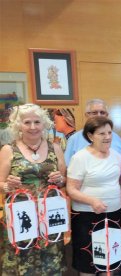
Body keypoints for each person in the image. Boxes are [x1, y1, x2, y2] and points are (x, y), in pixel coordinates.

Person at [63, 98, 121, 275]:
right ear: (90, 136)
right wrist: (92, 201)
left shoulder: (116, 156)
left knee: (110, 260)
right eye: (102, 134)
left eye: (109, 133)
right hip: (86, 215)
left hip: (113, 214)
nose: (107, 137)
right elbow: (70, 189)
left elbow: (118, 184)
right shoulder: (80, 157)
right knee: (88, 262)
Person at [0, 103, 66, 275]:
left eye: (37, 122)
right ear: (18, 125)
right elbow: (0, 183)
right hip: (20, 216)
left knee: (51, 260)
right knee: (22, 260)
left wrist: (60, 179)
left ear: (44, 124)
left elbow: (63, 181)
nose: (32, 127)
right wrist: (6, 185)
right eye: (27, 122)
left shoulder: (56, 148)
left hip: (50, 215)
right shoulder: (8, 150)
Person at [64, 98, 121, 165]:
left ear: (107, 116)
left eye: (102, 113)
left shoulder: (116, 138)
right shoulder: (74, 139)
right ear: (87, 115)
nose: (99, 116)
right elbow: (68, 166)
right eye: (94, 113)